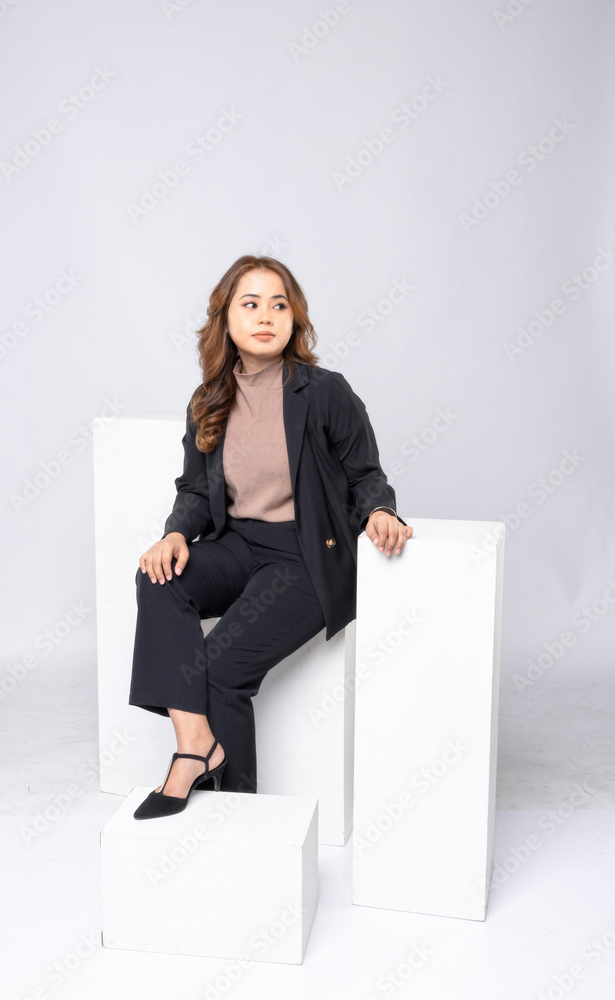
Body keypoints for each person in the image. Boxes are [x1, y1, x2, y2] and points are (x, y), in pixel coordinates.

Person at [129, 255, 413, 819]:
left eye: (279, 305)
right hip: (238, 546)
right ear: (225, 319)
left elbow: (365, 474)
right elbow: (195, 489)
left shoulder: (325, 392)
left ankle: (237, 814)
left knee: (222, 667)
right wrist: (175, 534)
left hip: (303, 555)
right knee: (156, 577)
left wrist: (380, 510)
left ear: (294, 319)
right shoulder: (208, 399)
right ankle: (195, 745)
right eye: (251, 304)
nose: (266, 316)